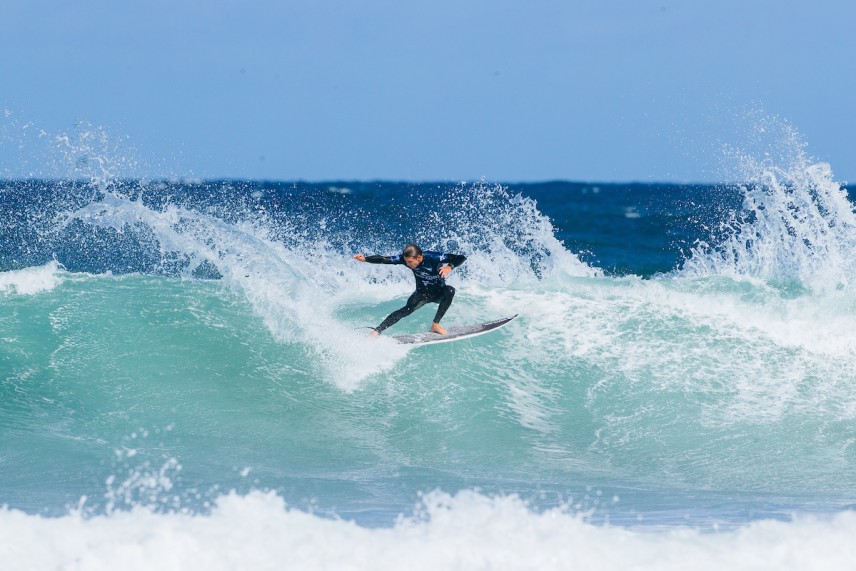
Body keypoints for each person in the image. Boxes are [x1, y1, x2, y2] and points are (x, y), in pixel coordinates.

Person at [353, 243, 466, 336]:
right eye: (406, 262)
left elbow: (461, 257)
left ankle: (435, 325)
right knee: (405, 311)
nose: (407, 264)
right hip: (422, 294)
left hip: (439, 293)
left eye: (410, 262)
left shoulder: (434, 257)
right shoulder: (405, 259)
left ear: (419, 257)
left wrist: (449, 266)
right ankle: (377, 331)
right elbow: (383, 259)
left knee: (450, 291)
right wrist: (366, 259)